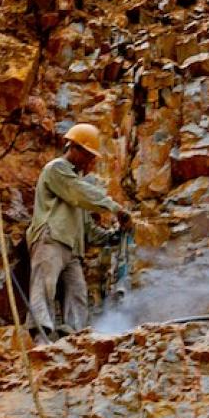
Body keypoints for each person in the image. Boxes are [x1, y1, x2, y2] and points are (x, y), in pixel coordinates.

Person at [26, 123, 132, 339]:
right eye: (86, 155)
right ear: (73, 148)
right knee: (44, 285)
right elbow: (79, 192)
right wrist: (114, 208)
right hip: (51, 238)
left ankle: (73, 335)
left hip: (72, 250)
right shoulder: (56, 169)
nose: (89, 161)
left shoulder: (76, 188)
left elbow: (88, 231)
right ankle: (40, 334)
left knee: (78, 293)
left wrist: (112, 237)